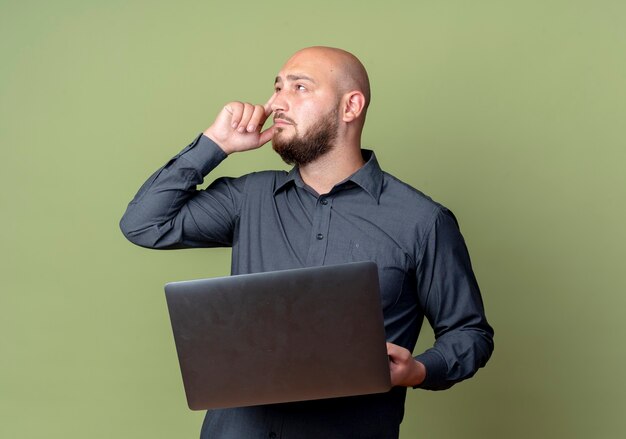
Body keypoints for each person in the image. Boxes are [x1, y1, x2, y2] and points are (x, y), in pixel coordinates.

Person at [120, 46, 494, 439]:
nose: (277, 103)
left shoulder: (422, 220)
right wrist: (216, 143)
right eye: (278, 87)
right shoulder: (249, 198)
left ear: (350, 107)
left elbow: (469, 333)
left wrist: (419, 370)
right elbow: (144, 224)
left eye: (299, 88)